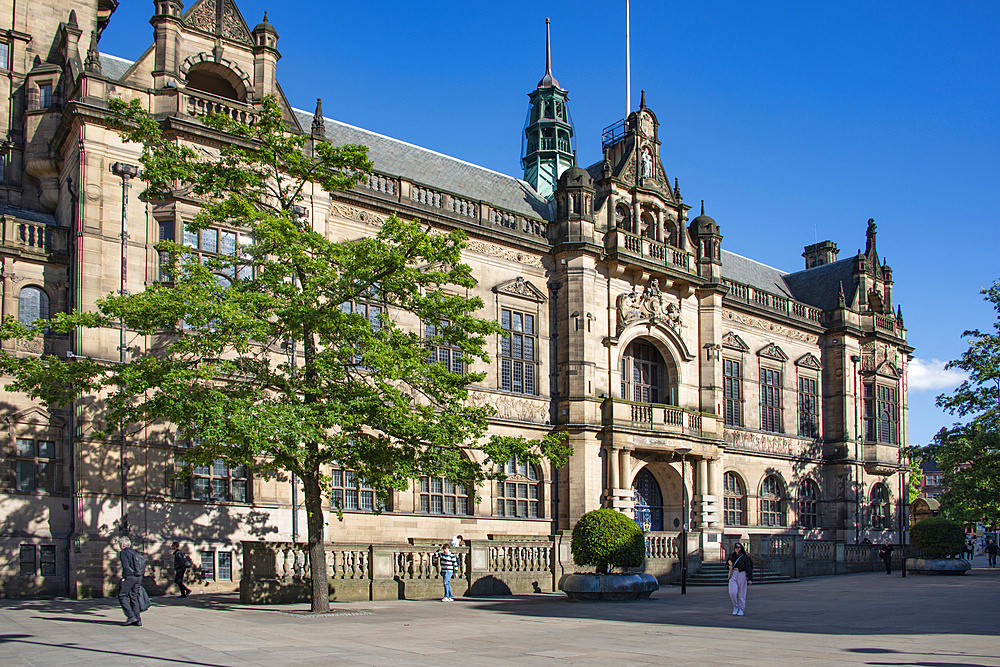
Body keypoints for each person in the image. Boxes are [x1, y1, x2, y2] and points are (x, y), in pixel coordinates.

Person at [115, 535, 147, 626]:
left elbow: (125, 566)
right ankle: (138, 619)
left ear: (122, 545)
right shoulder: (134, 552)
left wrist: (124, 577)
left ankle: (131, 616)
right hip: (138, 577)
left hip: (129, 577)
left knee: (122, 595)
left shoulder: (123, 553)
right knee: (134, 597)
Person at [727, 542, 753, 616]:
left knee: (742, 592)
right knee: (732, 592)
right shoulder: (732, 556)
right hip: (733, 573)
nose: (737, 549)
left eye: (738, 547)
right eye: (736, 548)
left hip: (741, 573)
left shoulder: (745, 557)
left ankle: (741, 608)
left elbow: (748, 567)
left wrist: (750, 578)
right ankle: (735, 606)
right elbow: (727, 563)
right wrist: (728, 567)